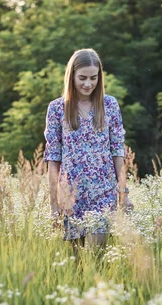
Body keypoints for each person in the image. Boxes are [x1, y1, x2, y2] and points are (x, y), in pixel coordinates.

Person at [43, 48, 133, 250]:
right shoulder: (57, 108)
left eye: (93, 78)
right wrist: (53, 205)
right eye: (82, 77)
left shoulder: (109, 105)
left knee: (95, 256)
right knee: (77, 266)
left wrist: (123, 195)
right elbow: (53, 158)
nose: (88, 84)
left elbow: (118, 152)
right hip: (71, 196)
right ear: (71, 76)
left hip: (103, 193)